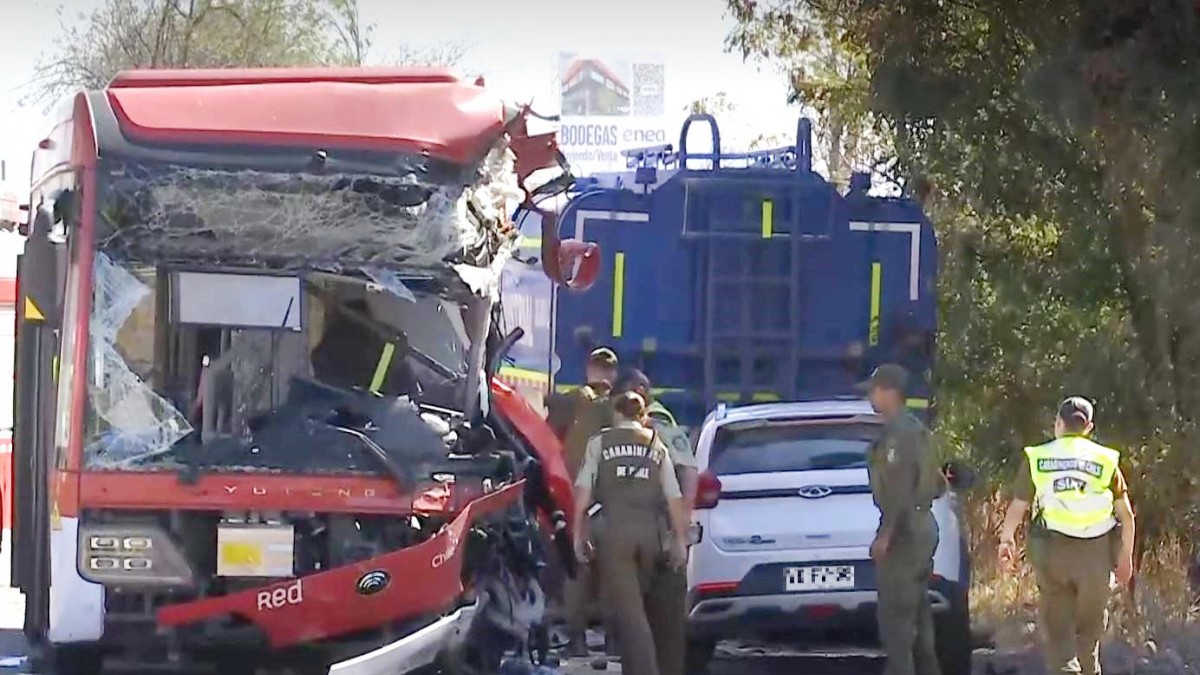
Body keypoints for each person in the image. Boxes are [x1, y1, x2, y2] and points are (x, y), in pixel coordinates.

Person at [998, 397, 1135, 675]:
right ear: (1089, 427)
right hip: (1095, 556)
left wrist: (1006, 539)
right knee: (1090, 629)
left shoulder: (1038, 457)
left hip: (1053, 553)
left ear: (1058, 423)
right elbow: (1127, 515)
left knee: (1059, 631)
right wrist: (1125, 558)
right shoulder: (1105, 459)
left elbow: (1018, 506)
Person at [572, 391, 690, 675]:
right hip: (651, 534)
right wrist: (679, 539)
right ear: (643, 416)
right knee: (647, 612)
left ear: (616, 414)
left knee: (631, 618)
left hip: (614, 536)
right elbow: (674, 496)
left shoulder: (599, 443)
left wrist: (578, 531)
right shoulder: (656, 444)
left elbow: (583, 491)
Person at [860, 364, 946, 675]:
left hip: (905, 533)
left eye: (873, 390)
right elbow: (937, 483)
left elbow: (898, 488)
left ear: (888, 391)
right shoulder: (916, 429)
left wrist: (886, 534)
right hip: (922, 526)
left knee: (896, 624)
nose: (871, 397)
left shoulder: (898, 434)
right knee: (919, 619)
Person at [611, 369, 697, 675]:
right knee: (666, 631)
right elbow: (688, 475)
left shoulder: (608, 436)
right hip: (660, 541)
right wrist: (681, 529)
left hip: (634, 544)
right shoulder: (666, 432)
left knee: (636, 627)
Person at [558, 349, 620, 657]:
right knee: (612, 573)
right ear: (614, 374)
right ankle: (612, 642)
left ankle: (577, 642)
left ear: (588, 369)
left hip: (577, 500)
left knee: (578, 574)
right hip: (612, 505)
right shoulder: (622, 407)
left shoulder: (571, 401)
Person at [546, 348, 619, 440]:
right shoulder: (619, 407)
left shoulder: (567, 400)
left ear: (588, 370)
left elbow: (549, 437)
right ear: (614, 374)